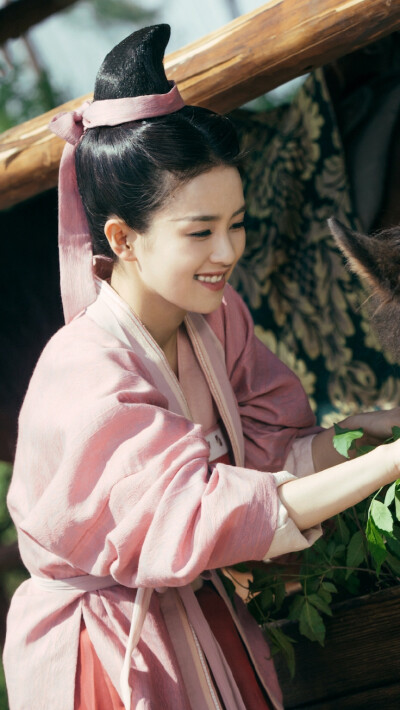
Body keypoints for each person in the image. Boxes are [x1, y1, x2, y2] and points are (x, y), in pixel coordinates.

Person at [3, 24, 400, 710]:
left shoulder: (219, 322)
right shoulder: (85, 377)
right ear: (124, 239)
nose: (229, 251)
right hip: (106, 661)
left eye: (238, 223)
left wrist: (359, 435)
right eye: (200, 232)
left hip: (205, 624)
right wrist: (390, 460)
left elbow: (269, 458)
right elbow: (207, 515)